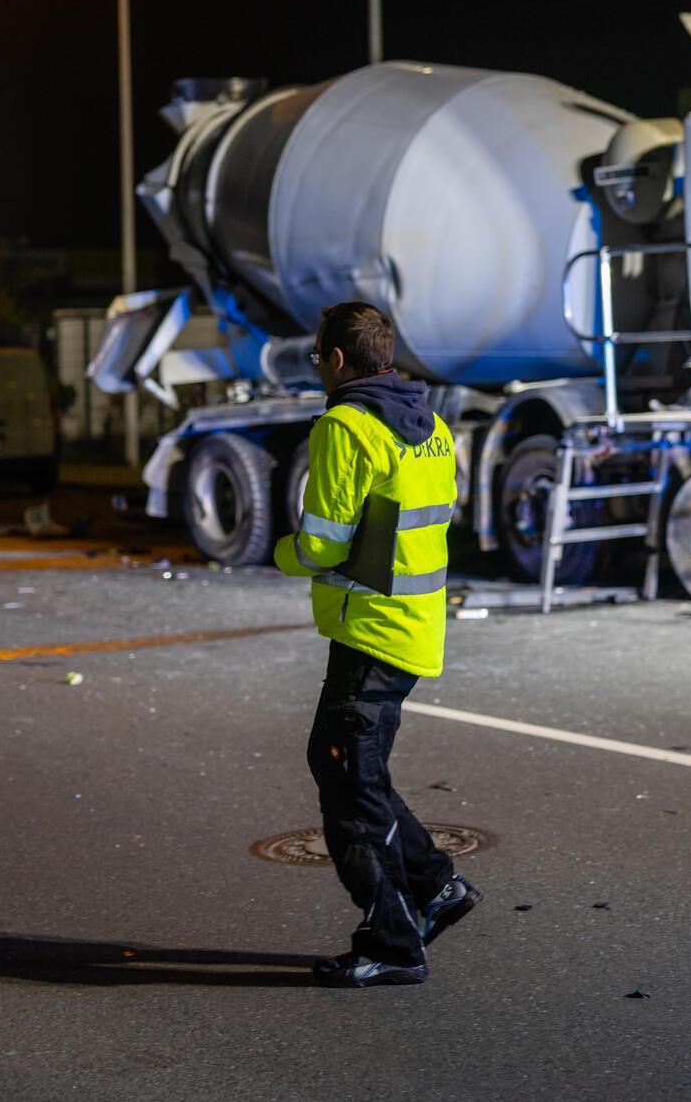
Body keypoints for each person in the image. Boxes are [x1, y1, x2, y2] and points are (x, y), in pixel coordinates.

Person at [273, 301, 482, 989]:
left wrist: (284, 554)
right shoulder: (430, 427)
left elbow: (324, 542)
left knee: (346, 781)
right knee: (352, 771)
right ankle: (436, 886)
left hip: (369, 630)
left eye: (316, 359)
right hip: (412, 626)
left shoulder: (346, 427)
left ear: (336, 361)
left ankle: (393, 942)